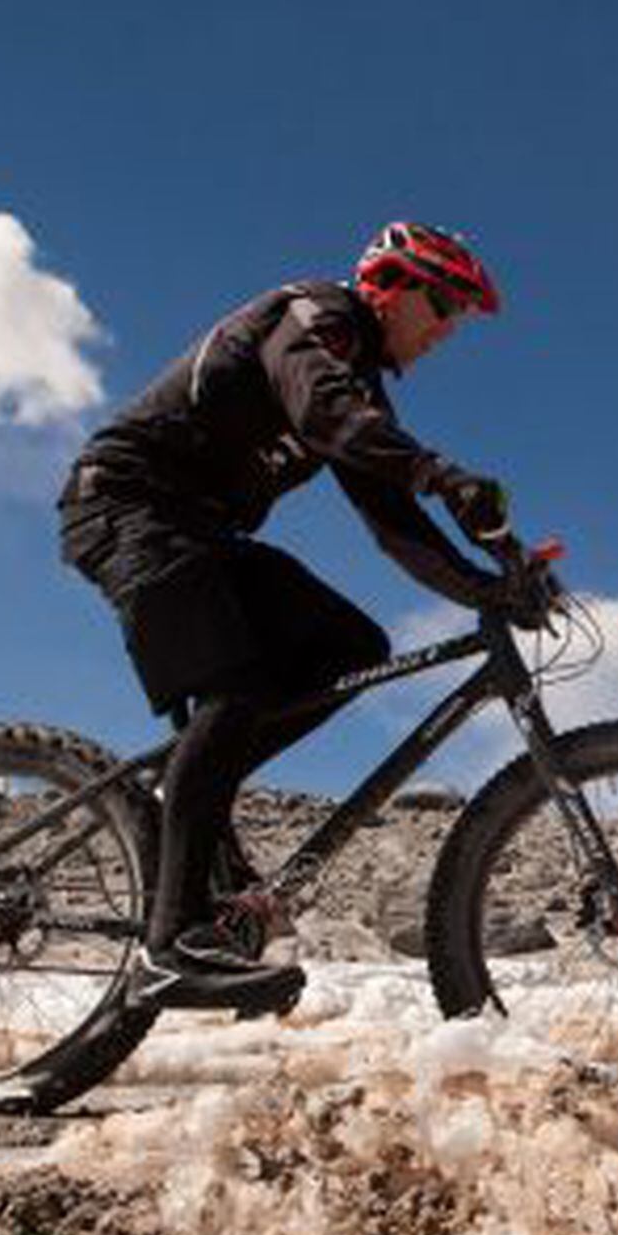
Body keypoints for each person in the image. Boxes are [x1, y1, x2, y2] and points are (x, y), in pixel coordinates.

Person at [56, 222, 542, 1012]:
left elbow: (398, 529)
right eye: (443, 303)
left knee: (351, 646)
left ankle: (193, 787)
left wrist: (492, 587)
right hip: (127, 505)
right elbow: (323, 410)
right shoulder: (317, 316)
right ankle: (169, 946)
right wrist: (441, 474)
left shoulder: (367, 398)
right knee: (236, 689)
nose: (448, 328)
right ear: (388, 283)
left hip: (199, 533)